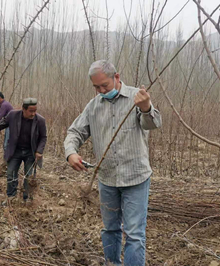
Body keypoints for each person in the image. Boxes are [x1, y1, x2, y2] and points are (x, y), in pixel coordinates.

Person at [64, 60, 162, 265]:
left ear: (116, 77)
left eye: (104, 86)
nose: (101, 91)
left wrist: (145, 108)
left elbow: (152, 124)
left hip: (135, 178)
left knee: (134, 234)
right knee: (110, 229)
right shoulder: (93, 106)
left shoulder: (137, 97)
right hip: (107, 179)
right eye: (96, 87)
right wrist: (71, 152)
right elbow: (75, 132)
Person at [0, 98, 47, 202]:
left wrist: (39, 151)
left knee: (29, 176)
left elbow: (43, 137)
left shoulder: (40, 120)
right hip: (15, 151)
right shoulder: (13, 115)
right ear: (23, 109)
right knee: (10, 174)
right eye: (31, 111)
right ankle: (11, 197)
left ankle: (27, 199)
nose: (33, 113)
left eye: (35, 111)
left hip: (30, 152)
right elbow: (1, 124)